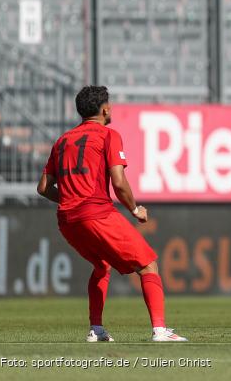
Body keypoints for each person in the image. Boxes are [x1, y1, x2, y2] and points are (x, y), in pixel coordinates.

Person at [36, 86, 186, 343]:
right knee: (148, 264)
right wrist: (135, 209)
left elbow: (43, 188)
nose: (112, 108)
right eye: (110, 105)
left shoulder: (62, 141)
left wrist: (71, 199)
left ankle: (96, 329)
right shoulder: (108, 135)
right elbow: (119, 181)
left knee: (101, 266)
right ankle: (160, 331)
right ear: (104, 109)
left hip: (68, 220)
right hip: (97, 214)